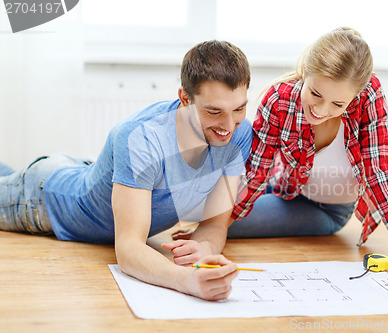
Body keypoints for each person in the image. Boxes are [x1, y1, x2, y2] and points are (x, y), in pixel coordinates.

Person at [0, 40, 253, 301]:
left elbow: (215, 222)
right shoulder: (139, 137)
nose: (228, 125)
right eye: (214, 111)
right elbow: (129, 247)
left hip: (83, 171)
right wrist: (187, 280)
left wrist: (204, 248)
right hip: (42, 199)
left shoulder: (239, 133)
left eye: (239, 108)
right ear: (185, 98)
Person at [227, 28, 388, 276]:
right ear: (305, 72)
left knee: (220, 223)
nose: (321, 110)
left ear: (355, 96)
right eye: (315, 93)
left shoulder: (369, 96)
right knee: (206, 208)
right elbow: (257, 173)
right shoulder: (279, 99)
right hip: (282, 185)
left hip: (325, 210)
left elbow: (378, 176)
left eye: (338, 104)